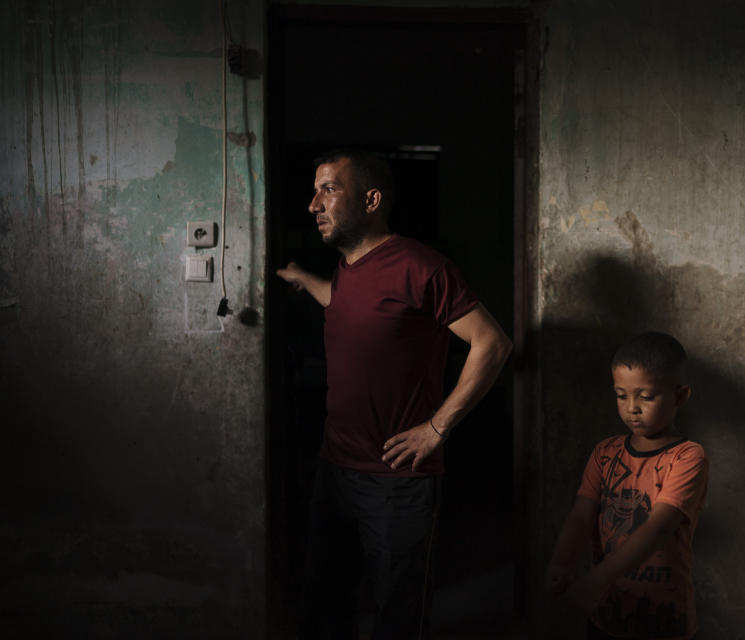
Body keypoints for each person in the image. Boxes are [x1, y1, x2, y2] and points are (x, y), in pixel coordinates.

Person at [276, 149, 512, 639]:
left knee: (397, 617)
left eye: (329, 189)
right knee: (325, 604)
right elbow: (352, 308)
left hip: (397, 478)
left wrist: (436, 428)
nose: (313, 204)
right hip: (335, 467)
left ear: (371, 199)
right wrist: (307, 281)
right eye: (315, 190)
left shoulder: (422, 267)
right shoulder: (346, 268)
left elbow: (492, 343)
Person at [545, 332, 708, 640]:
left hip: (664, 617)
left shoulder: (687, 457)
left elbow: (659, 527)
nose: (632, 407)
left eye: (645, 397)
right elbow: (581, 516)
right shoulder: (605, 453)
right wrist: (560, 562)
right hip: (606, 613)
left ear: (680, 396)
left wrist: (595, 581)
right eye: (622, 395)